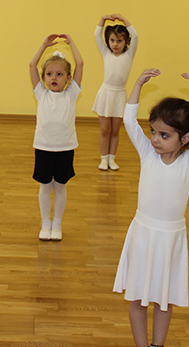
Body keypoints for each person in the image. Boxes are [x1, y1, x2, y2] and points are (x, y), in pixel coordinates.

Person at [114, 69, 189, 347]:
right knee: (136, 298)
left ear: (185, 138)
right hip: (143, 235)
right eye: (153, 132)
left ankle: (157, 345)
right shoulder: (147, 154)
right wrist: (137, 84)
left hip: (170, 238)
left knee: (164, 300)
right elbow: (128, 120)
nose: (155, 139)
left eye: (164, 135)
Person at [29, 34, 84, 242]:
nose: (54, 78)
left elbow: (80, 63)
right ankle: (46, 224)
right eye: (49, 74)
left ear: (68, 78)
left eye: (60, 74)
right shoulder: (41, 93)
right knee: (45, 187)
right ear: (43, 78)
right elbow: (32, 64)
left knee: (60, 187)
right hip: (43, 148)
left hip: (65, 148)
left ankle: (57, 224)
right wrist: (44, 45)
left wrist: (72, 44)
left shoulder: (72, 94)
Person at [93, 14, 138, 171]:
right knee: (105, 130)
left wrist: (123, 19)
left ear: (126, 42)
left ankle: (112, 158)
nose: (115, 44)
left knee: (115, 130)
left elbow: (135, 35)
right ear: (108, 41)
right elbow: (96, 35)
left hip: (120, 95)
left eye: (119, 41)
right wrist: (103, 19)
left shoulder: (129, 55)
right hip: (106, 94)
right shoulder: (106, 53)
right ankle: (103, 159)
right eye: (112, 40)